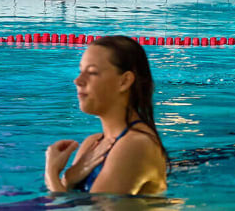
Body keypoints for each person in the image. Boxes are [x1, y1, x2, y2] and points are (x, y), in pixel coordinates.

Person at [45, 36, 168, 195]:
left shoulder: (137, 144)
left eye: (92, 72)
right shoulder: (92, 144)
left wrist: (51, 175)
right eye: (81, 71)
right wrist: (68, 179)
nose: (78, 81)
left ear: (124, 82)